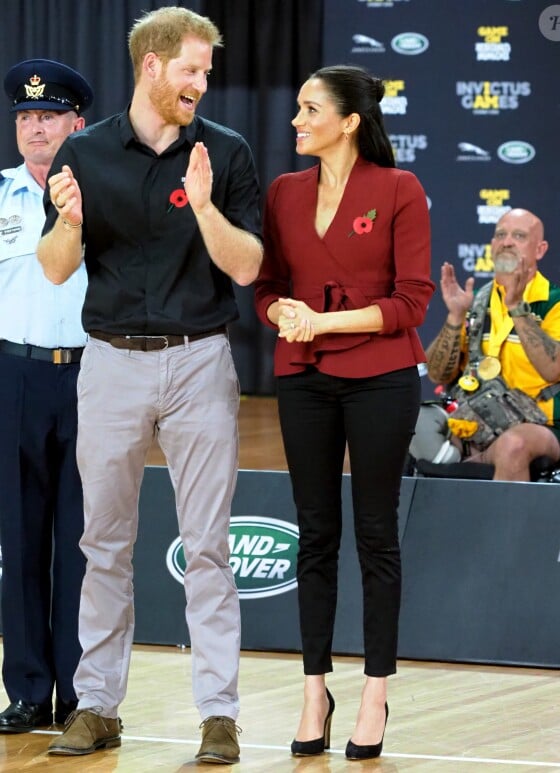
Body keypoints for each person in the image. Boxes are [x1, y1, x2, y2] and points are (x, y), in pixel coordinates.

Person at [36, 7, 262, 763]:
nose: (202, 82)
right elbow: (57, 267)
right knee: (103, 542)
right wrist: (68, 220)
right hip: (110, 361)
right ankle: (98, 704)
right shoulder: (85, 154)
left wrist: (202, 207)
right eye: (191, 68)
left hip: (200, 359)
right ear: (151, 66)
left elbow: (245, 266)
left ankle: (219, 715)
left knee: (208, 547)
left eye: (207, 69)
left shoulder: (225, 154)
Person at [254, 64, 434, 760]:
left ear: (350, 121)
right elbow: (268, 287)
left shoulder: (398, 189)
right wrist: (283, 314)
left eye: (309, 109)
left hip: (381, 378)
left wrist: (322, 323)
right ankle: (313, 688)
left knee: (376, 534)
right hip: (302, 380)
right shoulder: (285, 192)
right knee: (316, 535)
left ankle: (375, 692)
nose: (296, 120)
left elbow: (412, 302)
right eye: (297, 107)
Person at [0, 59, 92, 734]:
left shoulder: (105, 194)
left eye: (48, 116)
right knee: (20, 539)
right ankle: (29, 688)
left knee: (85, 542)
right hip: (14, 377)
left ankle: (81, 690)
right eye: (26, 117)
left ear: (76, 125)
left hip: (93, 376)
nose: (35, 128)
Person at [420, 208, 560, 481]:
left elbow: (553, 369)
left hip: (539, 425)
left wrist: (517, 308)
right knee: (400, 425)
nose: (507, 241)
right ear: (492, 245)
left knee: (512, 445)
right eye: (500, 235)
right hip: (472, 421)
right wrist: (456, 315)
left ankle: (504, 522)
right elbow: (437, 374)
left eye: (519, 235)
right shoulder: (477, 303)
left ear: (539, 250)